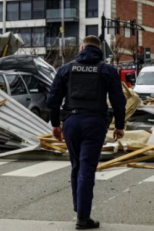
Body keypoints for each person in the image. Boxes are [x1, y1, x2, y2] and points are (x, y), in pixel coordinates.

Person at [47, 35, 126, 230]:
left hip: (71, 122)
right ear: (100, 49)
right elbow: (118, 101)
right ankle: (83, 217)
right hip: (94, 123)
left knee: (76, 166)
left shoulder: (66, 69)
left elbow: (53, 98)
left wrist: (56, 124)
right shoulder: (107, 70)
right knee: (87, 168)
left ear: (82, 47)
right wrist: (119, 125)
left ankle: (79, 209)